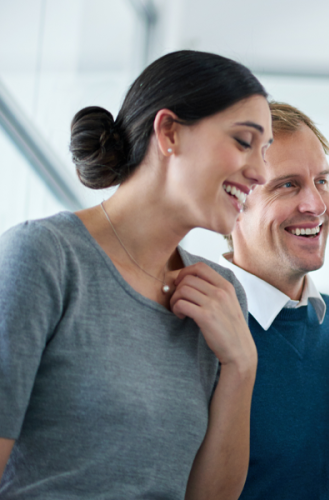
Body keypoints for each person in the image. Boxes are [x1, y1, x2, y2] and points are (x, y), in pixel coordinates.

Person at [0, 50, 271, 498]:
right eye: (244, 142)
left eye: (265, 153)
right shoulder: (45, 257)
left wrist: (241, 366)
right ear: (168, 133)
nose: (260, 172)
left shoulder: (222, 298)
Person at [218, 101, 329, 500]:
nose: (315, 205)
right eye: (288, 185)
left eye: (322, 182)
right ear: (233, 203)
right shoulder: (190, 328)